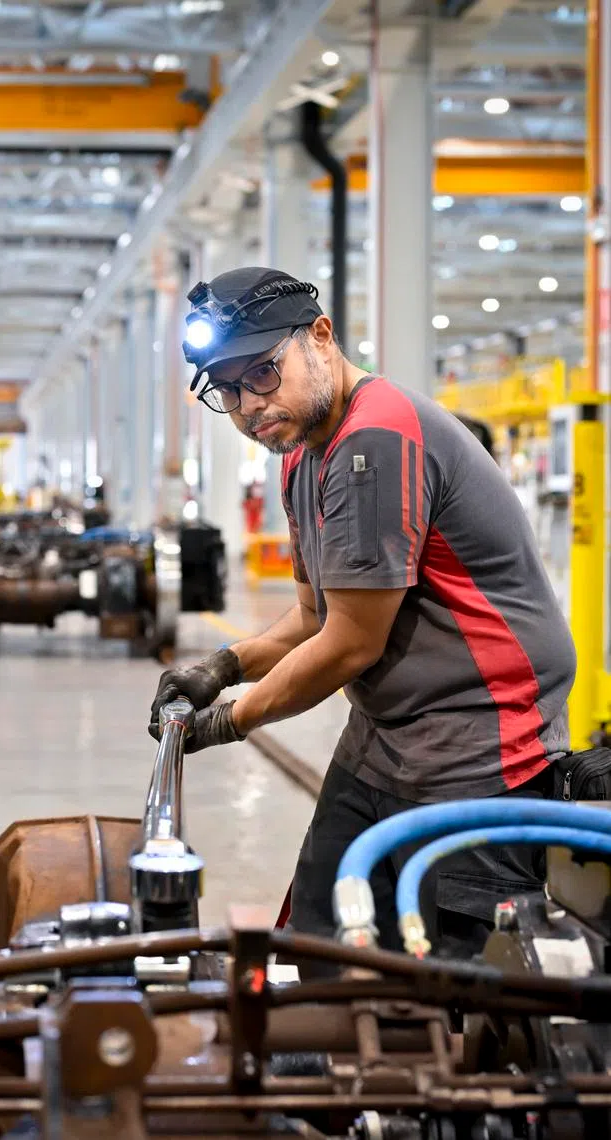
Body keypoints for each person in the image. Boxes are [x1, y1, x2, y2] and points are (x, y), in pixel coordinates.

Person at [149, 267, 576, 966]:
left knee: (451, 992)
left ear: (320, 337)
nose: (247, 406)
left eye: (261, 374)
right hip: (387, 737)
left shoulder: (374, 439)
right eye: (225, 390)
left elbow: (349, 646)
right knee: (321, 948)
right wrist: (219, 669)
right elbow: (314, 617)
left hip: (476, 747)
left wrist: (232, 718)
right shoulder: (300, 454)